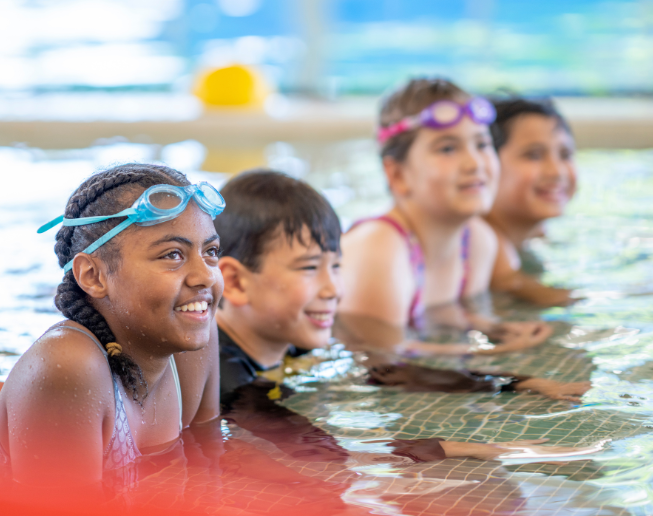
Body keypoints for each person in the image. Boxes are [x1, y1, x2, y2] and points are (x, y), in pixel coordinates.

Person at [214, 169, 591, 468]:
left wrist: (517, 384)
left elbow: (385, 372)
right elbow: (325, 452)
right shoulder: (221, 375)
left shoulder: (292, 339)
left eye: (337, 266)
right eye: (310, 268)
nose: (334, 289)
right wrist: (471, 448)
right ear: (234, 281)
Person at [0, 164, 223, 497]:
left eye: (210, 252)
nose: (204, 276)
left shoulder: (192, 337)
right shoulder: (68, 368)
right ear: (93, 276)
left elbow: (211, 468)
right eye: (172, 255)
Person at [337, 78, 553, 356]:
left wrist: (493, 329)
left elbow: (441, 318)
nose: (474, 163)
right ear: (397, 174)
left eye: (482, 144)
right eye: (448, 148)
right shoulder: (380, 249)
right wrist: (496, 357)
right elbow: (381, 360)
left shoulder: (477, 242)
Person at [485, 96, 578, 307]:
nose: (556, 171)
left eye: (565, 154)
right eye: (534, 155)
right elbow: (553, 299)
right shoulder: (481, 239)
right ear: (487, 165)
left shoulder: (539, 235)